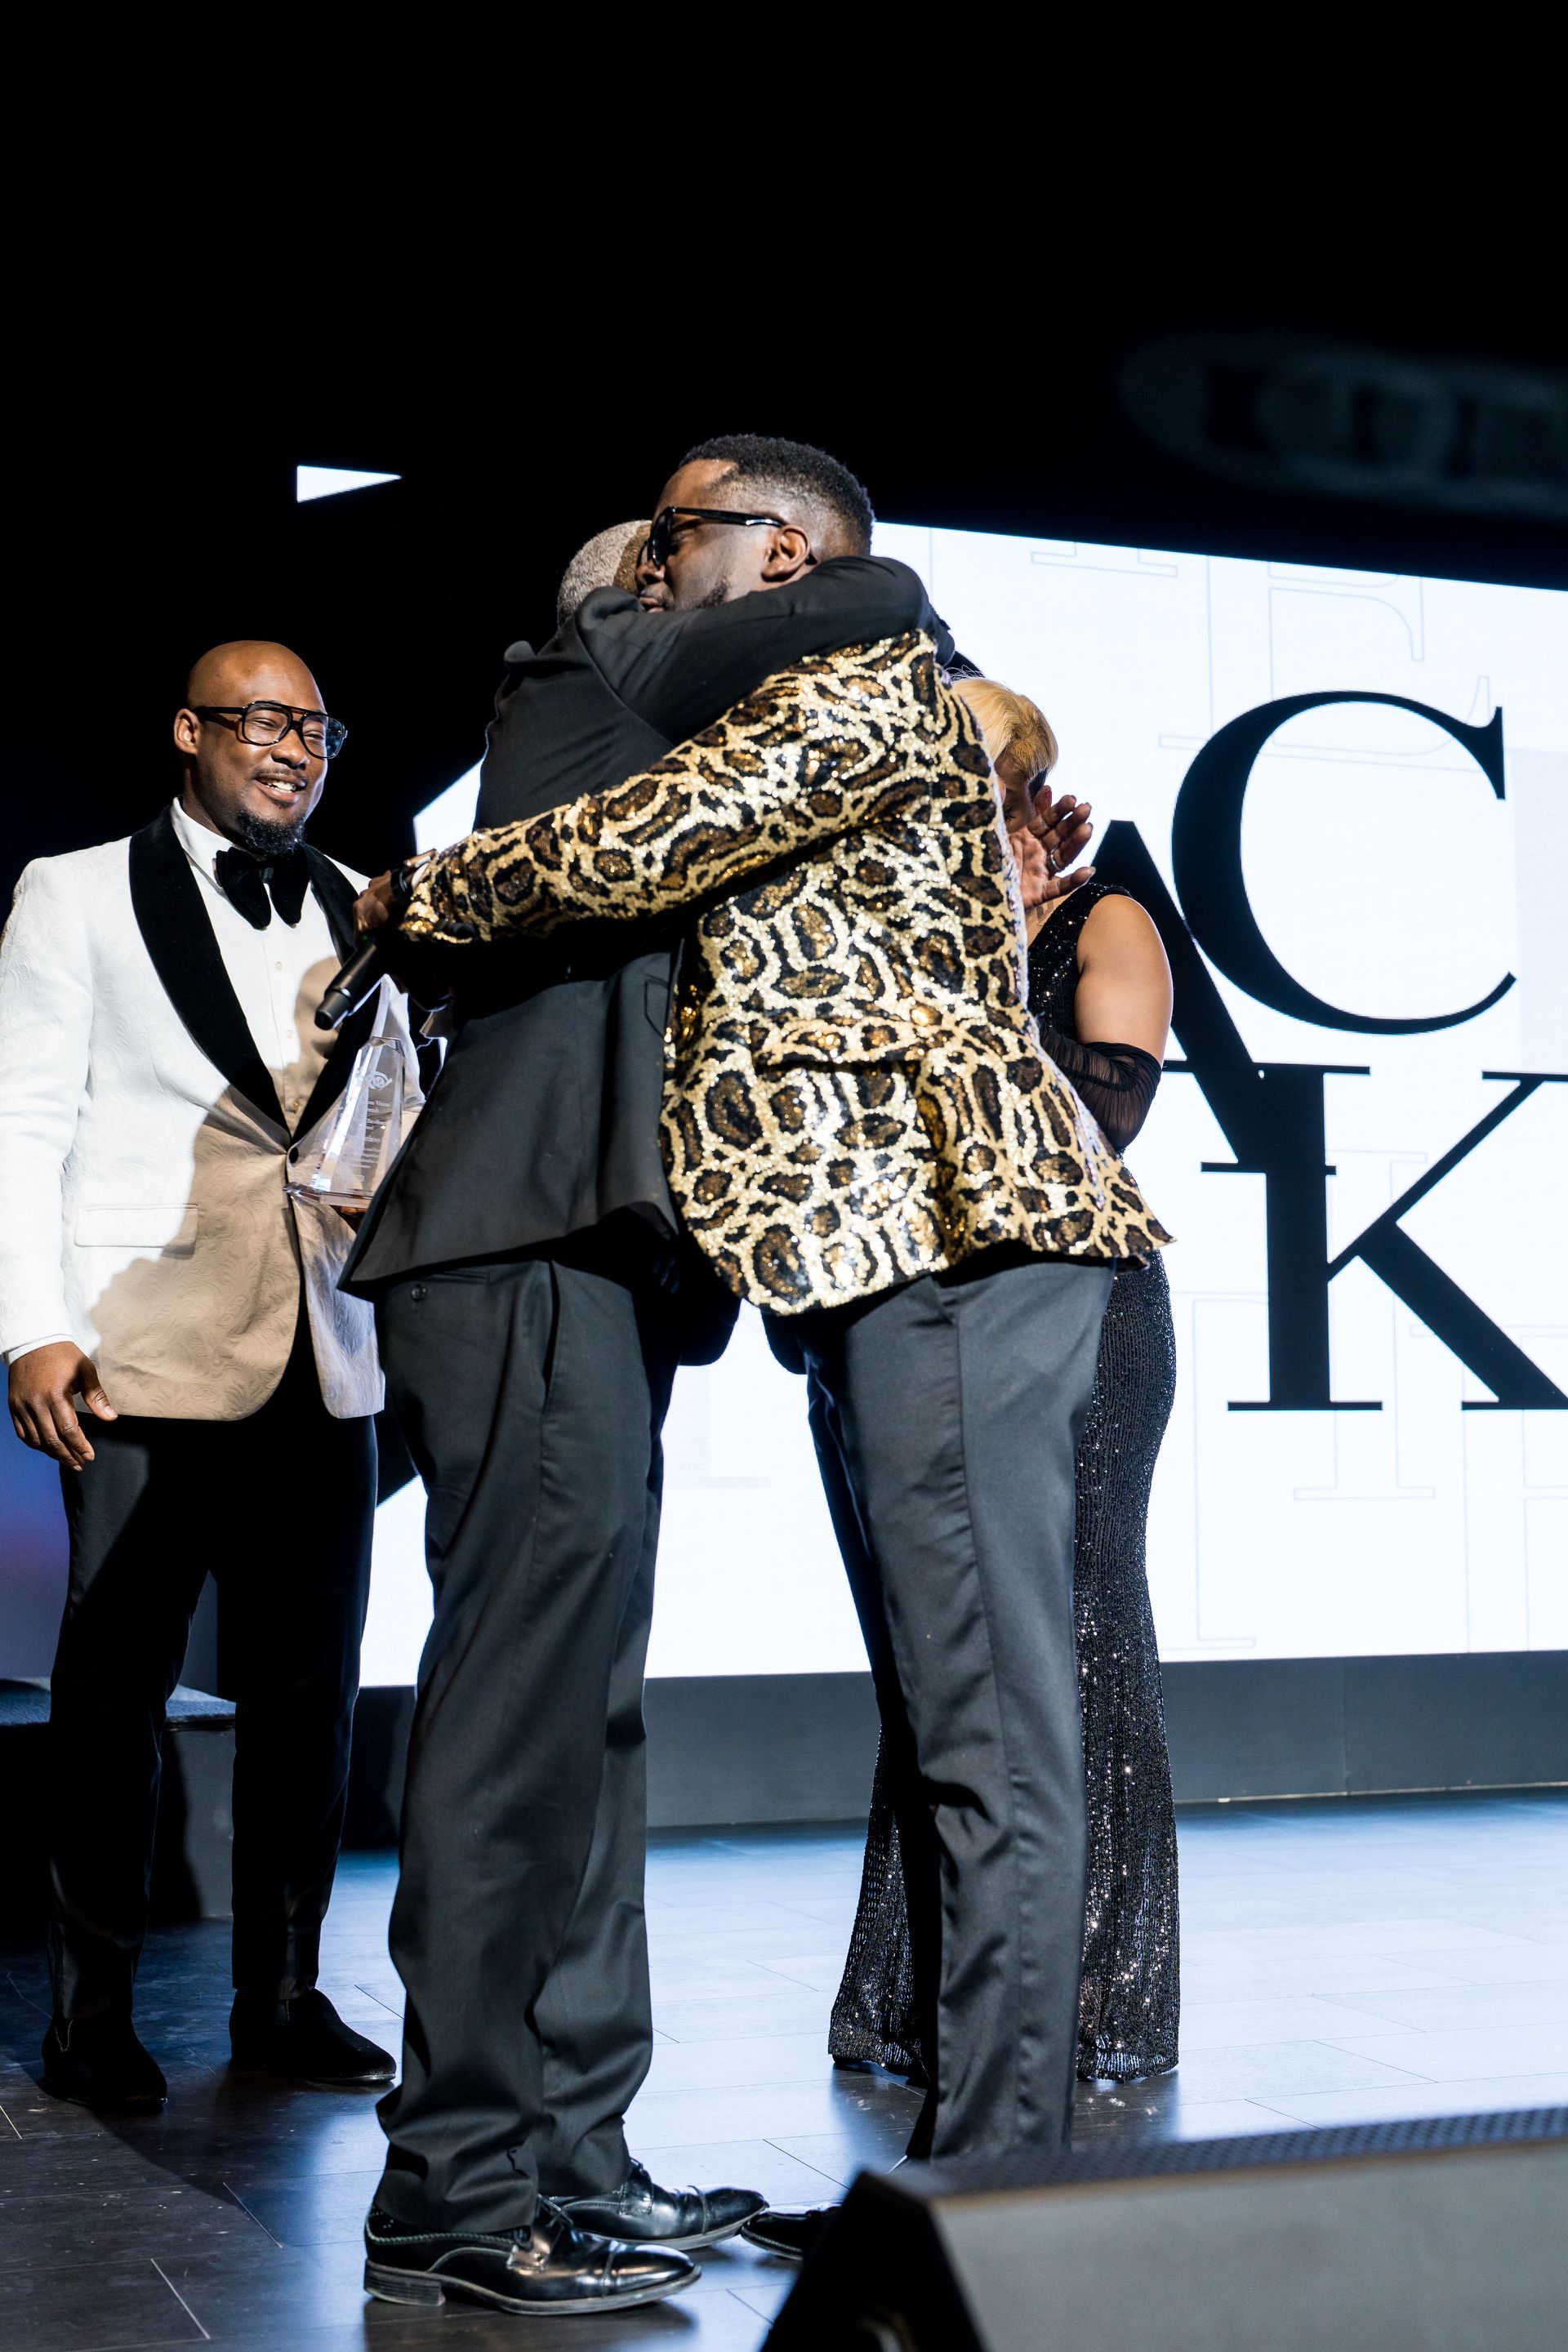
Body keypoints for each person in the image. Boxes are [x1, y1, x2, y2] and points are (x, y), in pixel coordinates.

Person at [360, 441, 1168, 2298]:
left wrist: (413, 897)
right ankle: (513, 2181)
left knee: (984, 1734)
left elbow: (648, 843)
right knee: (877, 1727)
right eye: (641, 551)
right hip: (732, 1251)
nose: (661, 574)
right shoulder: (659, 670)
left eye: (684, 539)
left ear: (780, 554)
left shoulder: (865, 670)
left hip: (930, 1244)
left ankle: (983, 2206)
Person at [0, 641, 421, 2109]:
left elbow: (384, 1111)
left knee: (313, 1695)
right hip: (141, 1346)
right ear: (189, 732)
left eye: (315, 726)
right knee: (112, 1695)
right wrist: (29, 1327)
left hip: (325, 1342)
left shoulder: (358, 897)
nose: (293, 748)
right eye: (261, 720)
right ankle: (90, 2012)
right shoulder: (76, 889)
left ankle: (285, 1996)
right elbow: (23, 1119)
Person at [827, 680, 1179, 2123]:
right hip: (904, 1316)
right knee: (940, 1673)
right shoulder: (896, 932)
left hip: (1074, 1319)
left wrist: (995, 947)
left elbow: (1093, 1124)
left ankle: (1082, 1989)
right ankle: (938, 2005)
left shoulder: (1099, 921)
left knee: (1073, 1645)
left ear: (1021, 779)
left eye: (962, 762)